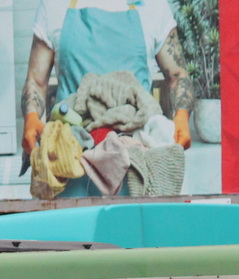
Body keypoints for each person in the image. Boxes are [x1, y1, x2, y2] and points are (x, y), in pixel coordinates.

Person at [21, 0, 195, 176]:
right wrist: (31, 117)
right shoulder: (54, 6)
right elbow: (36, 80)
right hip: (70, 155)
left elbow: (177, 74)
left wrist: (181, 117)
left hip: (138, 154)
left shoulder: (153, 6)